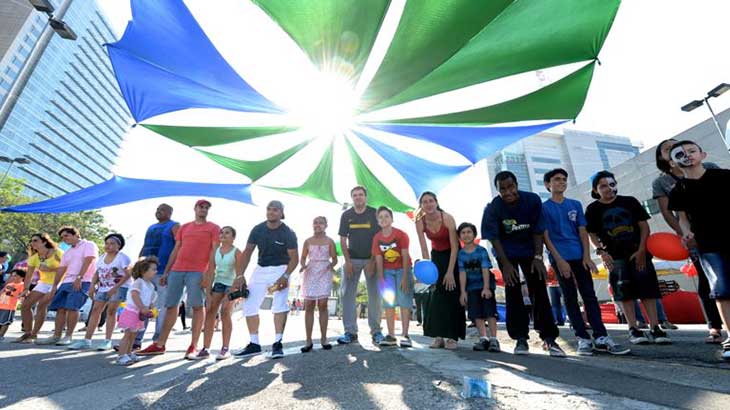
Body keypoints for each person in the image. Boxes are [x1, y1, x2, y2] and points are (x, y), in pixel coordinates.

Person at [542, 168, 630, 355]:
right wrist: (559, 260)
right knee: (570, 298)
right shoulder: (543, 208)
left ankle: (601, 337)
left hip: (579, 256)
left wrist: (587, 257)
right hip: (561, 258)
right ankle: (582, 338)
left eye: (564, 179)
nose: (562, 182)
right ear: (547, 184)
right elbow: (546, 236)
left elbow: (583, 231)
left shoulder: (574, 204)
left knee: (589, 296)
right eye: (557, 180)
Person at [481, 171, 565, 356]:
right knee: (512, 290)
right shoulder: (493, 208)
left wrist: (537, 257)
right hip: (506, 252)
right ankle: (520, 338)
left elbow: (538, 230)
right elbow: (494, 239)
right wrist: (506, 264)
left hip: (530, 250)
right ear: (498, 190)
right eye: (503, 189)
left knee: (539, 290)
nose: (508, 192)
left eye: (510, 187)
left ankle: (549, 338)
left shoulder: (532, 200)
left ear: (516, 184)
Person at [585, 171, 670, 345]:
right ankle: (633, 328)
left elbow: (644, 226)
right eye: (603, 186)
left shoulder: (629, 201)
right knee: (624, 291)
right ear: (595, 189)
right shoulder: (593, 209)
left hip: (638, 252)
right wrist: (601, 251)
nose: (608, 188)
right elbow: (590, 233)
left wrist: (641, 250)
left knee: (648, 289)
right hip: (615, 257)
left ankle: (655, 327)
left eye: (611, 184)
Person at [653, 138, 722, 341]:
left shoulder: (710, 168)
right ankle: (715, 326)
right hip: (697, 236)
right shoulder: (662, 183)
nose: (677, 149)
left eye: (683, 147)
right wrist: (684, 233)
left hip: (722, 229)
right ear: (665, 158)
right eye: (668, 149)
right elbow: (670, 213)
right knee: (708, 278)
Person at [667, 140, 730, 359]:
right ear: (673, 163)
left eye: (692, 151)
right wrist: (686, 233)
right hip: (707, 243)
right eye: (680, 154)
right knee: (721, 290)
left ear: (703, 154)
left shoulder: (723, 177)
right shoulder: (678, 190)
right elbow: (682, 218)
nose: (687, 155)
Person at [136, 199, 219, 359]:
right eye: (201, 207)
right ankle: (159, 344)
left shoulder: (213, 228)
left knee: (196, 306)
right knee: (170, 305)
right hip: (176, 270)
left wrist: (209, 274)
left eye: (206, 208)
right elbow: (176, 249)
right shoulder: (185, 227)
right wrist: (166, 272)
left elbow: (214, 252)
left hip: (198, 271)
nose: (203, 209)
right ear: (195, 208)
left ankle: (193, 346)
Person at [233, 200, 298, 359]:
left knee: (279, 305)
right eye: (269, 209)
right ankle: (254, 344)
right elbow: (247, 252)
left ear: (281, 213)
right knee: (249, 304)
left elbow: (294, 259)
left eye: (275, 209)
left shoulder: (288, 232)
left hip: (281, 269)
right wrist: (240, 275)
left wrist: (285, 276)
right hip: (261, 269)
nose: (271, 212)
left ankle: (277, 343)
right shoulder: (258, 229)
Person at [416, 191, 465, 349]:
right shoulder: (419, 221)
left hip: (452, 256)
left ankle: (452, 337)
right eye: (424, 202)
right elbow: (424, 249)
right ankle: (438, 337)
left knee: (451, 294)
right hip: (435, 258)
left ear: (436, 202)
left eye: (431, 201)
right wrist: (428, 273)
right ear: (421, 205)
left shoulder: (447, 218)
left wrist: (450, 272)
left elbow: (455, 246)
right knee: (436, 296)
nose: (428, 204)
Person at [37, 226, 98, 346]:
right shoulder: (68, 251)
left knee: (72, 308)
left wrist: (79, 277)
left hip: (83, 280)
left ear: (76, 235)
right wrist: (55, 285)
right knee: (60, 308)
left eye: (66, 235)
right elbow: (61, 268)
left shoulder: (89, 244)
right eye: (62, 237)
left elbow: (89, 260)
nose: (64, 239)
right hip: (66, 282)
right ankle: (56, 336)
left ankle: (68, 336)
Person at [69, 233, 131, 350]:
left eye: (112, 244)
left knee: (111, 311)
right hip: (103, 287)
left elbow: (128, 274)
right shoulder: (102, 257)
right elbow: (97, 273)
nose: (108, 246)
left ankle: (107, 341)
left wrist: (115, 288)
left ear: (119, 246)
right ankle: (87, 340)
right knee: (96, 310)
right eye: (107, 243)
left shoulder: (122, 257)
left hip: (118, 287)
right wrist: (92, 285)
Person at [337, 186, 383, 345]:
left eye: (361, 195)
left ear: (366, 197)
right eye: (355, 195)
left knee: (374, 295)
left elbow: (378, 238)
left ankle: (376, 331)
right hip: (353, 260)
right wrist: (348, 262)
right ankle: (350, 332)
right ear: (352, 198)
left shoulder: (374, 213)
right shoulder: (346, 215)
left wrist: (372, 261)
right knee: (347, 295)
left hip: (372, 259)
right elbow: (343, 240)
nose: (358, 197)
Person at [133, 204, 179, 351]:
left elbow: (179, 246)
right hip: (146, 272)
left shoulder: (175, 226)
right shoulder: (151, 227)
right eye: (157, 210)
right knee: (143, 304)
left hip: (163, 271)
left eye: (162, 210)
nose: (158, 212)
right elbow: (144, 245)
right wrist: (138, 265)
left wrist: (169, 270)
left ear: (170, 213)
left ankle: (159, 340)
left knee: (162, 306)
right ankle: (136, 339)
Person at [372, 206, 413, 347]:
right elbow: (378, 258)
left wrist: (405, 277)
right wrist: (381, 277)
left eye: (386, 216)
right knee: (389, 303)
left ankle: (405, 335)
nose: (384, 219)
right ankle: (391, 335)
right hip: (387, 271)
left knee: (404, 301)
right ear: (378, 221)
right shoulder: (377, 237)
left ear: (392, 219)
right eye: (380, 217)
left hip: (403, 269)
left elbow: (405, 255)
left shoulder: (401, 235)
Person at [199, 226, 241, 360]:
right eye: (221, 232)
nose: (223, 234)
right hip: (218, 283)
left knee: (225, 313)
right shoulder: (215, 251)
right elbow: (211, 271)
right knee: (210, 311)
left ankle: (225, 348)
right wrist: (207, 292)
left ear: (233, 237)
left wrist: (234, 288)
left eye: (227, 233)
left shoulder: (236, 252)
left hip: (231, 284)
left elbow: (239, 273)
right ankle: (206, 348)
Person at [457, 222, 500, 352]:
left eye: (469, 232)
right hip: (471, 288)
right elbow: (462, 273)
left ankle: (493, 339)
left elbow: (485, 269)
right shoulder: (461, 254)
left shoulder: (481, 251)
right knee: (477, 314)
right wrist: (463, 291)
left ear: (474, 234)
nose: (466, 235)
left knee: (490, 312)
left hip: (485, 285)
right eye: (463, 233)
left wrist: (486, 287)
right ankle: (483, 338)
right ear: (459, 236)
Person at [15, 234, 63, 343]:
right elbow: (29, 275)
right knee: (25, 305)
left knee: (42, 305)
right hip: (44, 282)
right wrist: (26, 289)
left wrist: (51, 269)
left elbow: (67, 267)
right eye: (31, 241)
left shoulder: (57, 252)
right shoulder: (34, 257)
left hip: (59, 282)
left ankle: (34, 334)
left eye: (36, 240)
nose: (33, 243)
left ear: (44, 242)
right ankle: (28, 333)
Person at [299, 216, 338, 352]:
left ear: (326, 225)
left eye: (321, 223)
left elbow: (334, 258)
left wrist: (331, 266)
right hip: (310, 272)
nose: (318, 225)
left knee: (323, 304)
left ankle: (323, 338)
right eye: (315, 223)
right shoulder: (307, 241)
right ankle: (308, 340)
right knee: (309, 305)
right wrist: (303, 265)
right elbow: (303, 257)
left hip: (324, 271)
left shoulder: (330, 241)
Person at [116, 256, 158, 365]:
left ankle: (129, 353)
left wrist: (151, 309)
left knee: (133, 335)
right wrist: (142, 307)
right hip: (132, 311)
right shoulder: (139, 282)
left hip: (140, 314)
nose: (155, 271)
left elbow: (151, 299)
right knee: (128, 333)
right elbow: (135, 295)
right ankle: (121, 355)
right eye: (153, 269)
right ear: (144, 271)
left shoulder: (151, 285)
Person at [0, 269, 26, 341]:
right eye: (12, 276)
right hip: (1, 305)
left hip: (9, 307)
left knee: (5, 322)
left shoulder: (22, 285)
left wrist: (19, 296)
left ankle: (1, 336)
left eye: (15, 276)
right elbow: (2, 292)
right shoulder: (9, 284)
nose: (13, 277)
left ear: (22, 277)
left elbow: (23, 295)